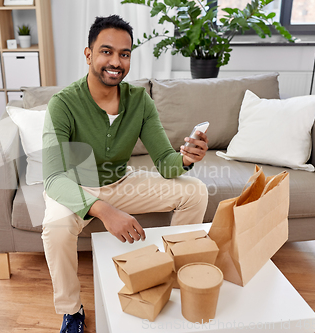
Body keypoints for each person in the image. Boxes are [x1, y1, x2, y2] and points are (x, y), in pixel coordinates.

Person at [41, 15, 209, 333]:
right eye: (106, 51)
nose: (116, 61)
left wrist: (186, 159)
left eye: (125, 53)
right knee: (57, 228)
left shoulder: (139, 101)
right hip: (74, 187)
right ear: (89, 54)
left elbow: (165, 162)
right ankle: (71, 311)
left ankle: (177, 274)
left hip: (121, 182)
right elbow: (54, 178)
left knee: (195, 190)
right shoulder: (62, 104)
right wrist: (104, 211)